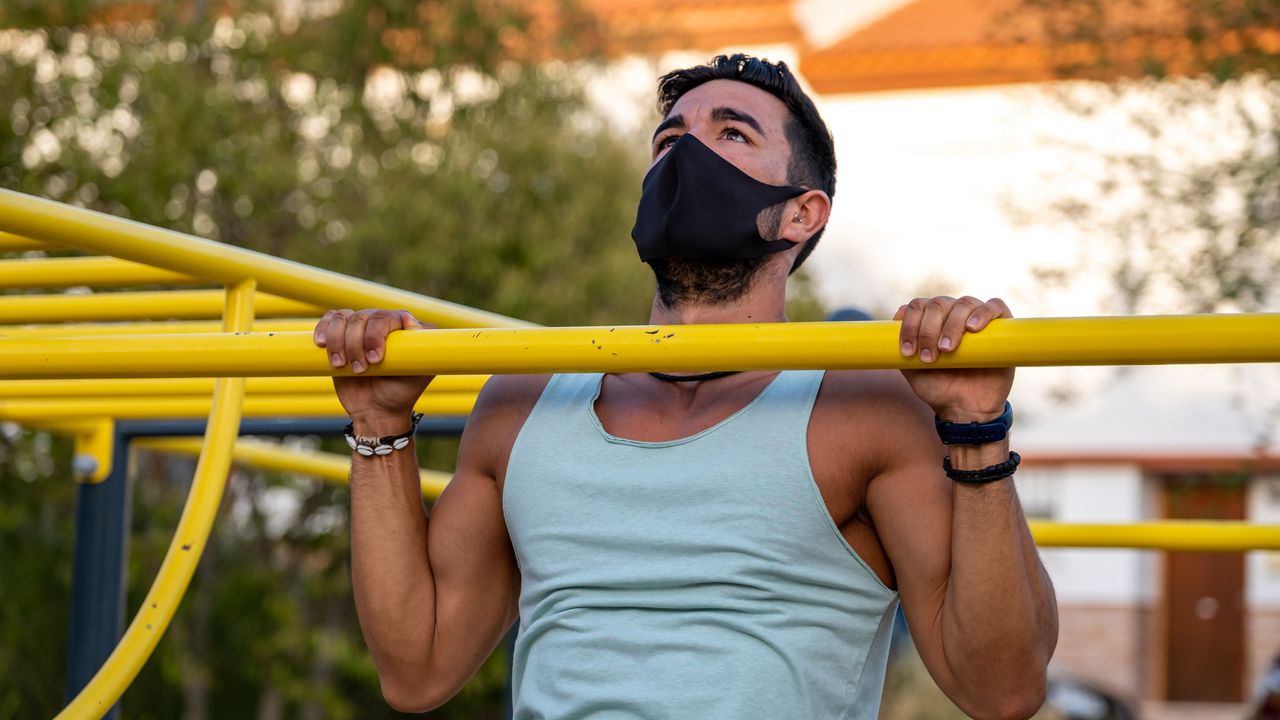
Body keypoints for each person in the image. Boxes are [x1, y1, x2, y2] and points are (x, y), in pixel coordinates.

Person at [313, 54, 1058, 719]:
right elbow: (416, 671)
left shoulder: (862, 411)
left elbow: (1001, 692)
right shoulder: (525, 398)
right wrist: (381, 425)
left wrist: (976, 424)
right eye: (669, 140)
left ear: (803, 214)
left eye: (731, 133)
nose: (686, 152)